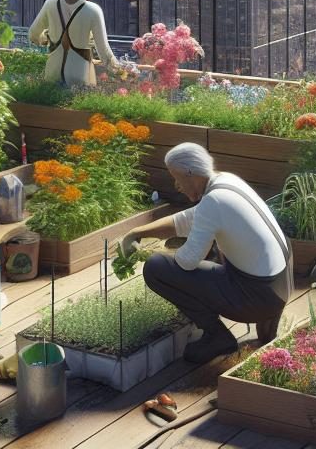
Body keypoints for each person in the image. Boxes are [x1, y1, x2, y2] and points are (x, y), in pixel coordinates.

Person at [120, 143, 292, 365]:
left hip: (256, 299)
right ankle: (266, 321)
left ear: (190, 173)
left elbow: (187, 261)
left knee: (157, 268)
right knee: (217, 251)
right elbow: (189, 219)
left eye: (177, 178)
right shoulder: (227, 181)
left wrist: (151, 252)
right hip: (280, 285)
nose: (176, 185)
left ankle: (216, 337)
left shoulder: (213, 201)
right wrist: (139, 232)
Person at [28, 0, 121, 86]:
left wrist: (48, 39)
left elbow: (33, 35)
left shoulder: (50, 3)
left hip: (52, 74)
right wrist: (121, 71)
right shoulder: (93, 10)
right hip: (80, 78)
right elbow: (103, 52)